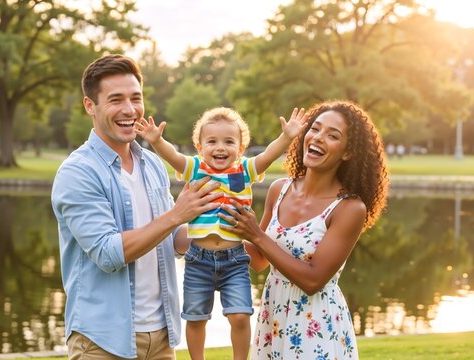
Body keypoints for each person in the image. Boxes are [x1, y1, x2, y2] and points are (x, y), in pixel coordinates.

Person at [51, 54, 222, 360]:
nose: (130, 110)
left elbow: (172, 240)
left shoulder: (152, 164)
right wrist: (176, 215)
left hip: (161, 338)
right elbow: (108, 253)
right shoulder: (78, 173)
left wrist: (218, 228)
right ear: (90, 106)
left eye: (136, 98)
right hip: (102, 341)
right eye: (116, 99)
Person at [219, 100, 389, 359]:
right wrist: (208, 233)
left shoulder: (349, 208)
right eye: (315, 128)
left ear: (347, 152)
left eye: (333, 135)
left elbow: (313, 280)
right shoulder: (280, 189)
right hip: (273, 318)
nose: (318, 138)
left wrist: (256, 234)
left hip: (316, 325)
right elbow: (258, 260)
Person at [135, 107, 309, 360]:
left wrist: (287, 136)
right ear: (200, 146)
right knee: (196, 318)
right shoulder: (195, 168)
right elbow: (173, 156)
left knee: (239, 315)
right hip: (198, 260)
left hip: (234, 260)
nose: (220, 148)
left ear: (240, 147)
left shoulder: (244, 170)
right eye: (212, 141)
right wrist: (156, 140)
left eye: (229, 142)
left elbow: (268, 156)